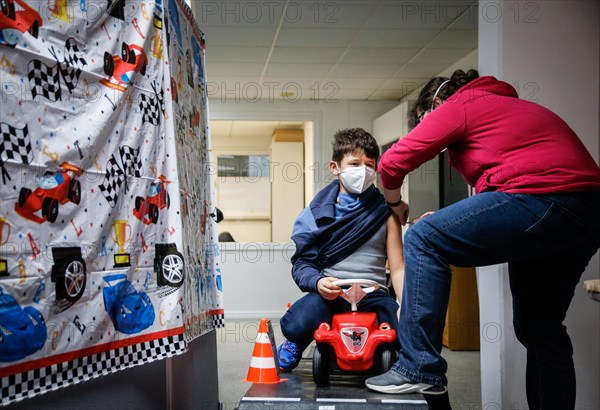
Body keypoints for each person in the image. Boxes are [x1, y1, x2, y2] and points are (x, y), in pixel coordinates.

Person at [365, 69, 600, 409]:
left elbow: (392, 163)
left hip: (544, 198)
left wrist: (393, 203)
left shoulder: (461, 104)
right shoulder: (501, 109)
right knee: (540, 326)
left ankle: (418, 368)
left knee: (421, 237)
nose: (425, 125)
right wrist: (449, 222)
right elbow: (502, 195)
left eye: (422, 119)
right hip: (584, 210)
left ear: (436, 102)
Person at [277, 128, 405, 372]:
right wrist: (318, 283)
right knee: (297, 323)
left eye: (369, 164)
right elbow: (302, 265)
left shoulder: (386, 212)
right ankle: (294, 343)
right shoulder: (314, 215)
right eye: (355, 163)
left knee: (407, 333)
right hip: (332, 293)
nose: (364, 171)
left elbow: (398, 268)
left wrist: (406, 306)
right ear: (335, 167)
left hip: (374, 295)